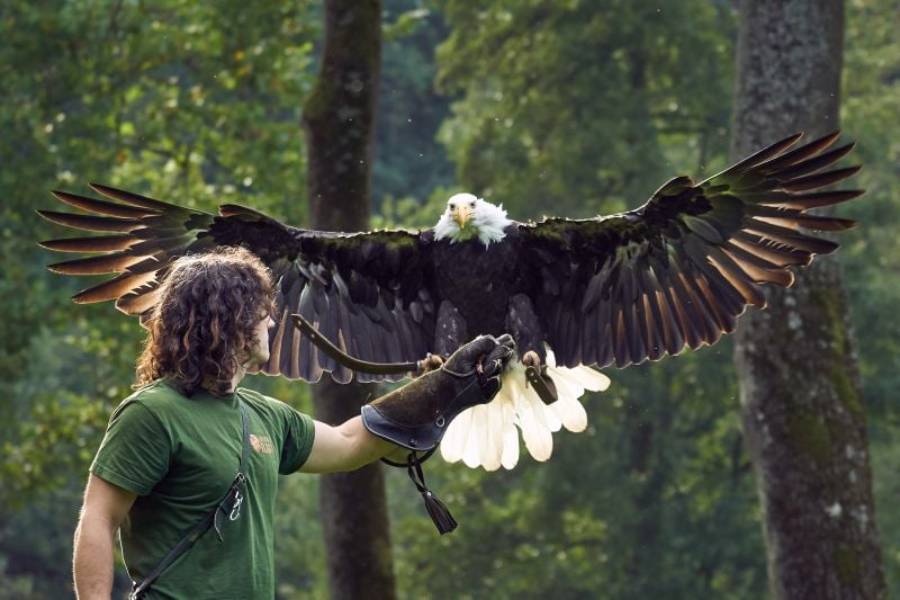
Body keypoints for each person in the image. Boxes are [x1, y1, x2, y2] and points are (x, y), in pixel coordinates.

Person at [72, 246, 513, 599]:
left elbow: (349, 441)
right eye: (261, 310)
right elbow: (99, 517)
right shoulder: (153, 414)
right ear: (227, 318)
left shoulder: (264, 415)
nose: (271, 320)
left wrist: (444, 389)